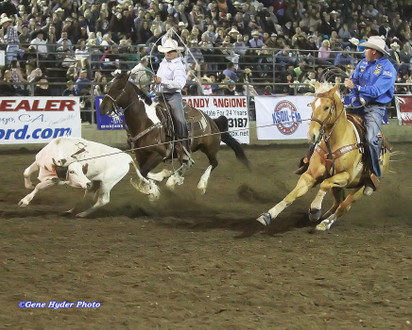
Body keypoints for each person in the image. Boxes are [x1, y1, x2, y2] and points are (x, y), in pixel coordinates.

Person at [344, 36, 396, 196]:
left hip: (375, 108)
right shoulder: (362, 63)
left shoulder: (388, 69)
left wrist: (357, 88)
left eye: (366, 48)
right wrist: (352, 88)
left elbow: (376, 91)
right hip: (357, 103)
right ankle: (311, 159)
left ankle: (374, 174)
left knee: (371, 138)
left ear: (374, 51)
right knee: (331, 120)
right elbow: (353, 81)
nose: (364, 50)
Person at [155, 37, 193, 166]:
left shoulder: (178, 66)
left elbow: (180, 84)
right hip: (159, 95)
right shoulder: (163, 62)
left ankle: (184, 150)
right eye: (166, 51)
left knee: (180, 120)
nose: (167, 53)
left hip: (172, 96)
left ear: (176, 52)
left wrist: (162, 82)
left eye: (170, 51)